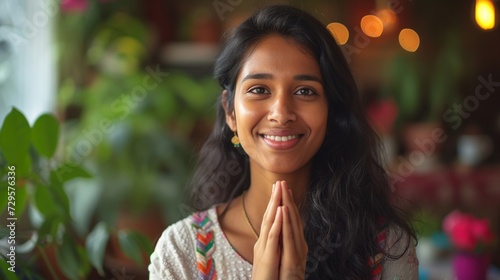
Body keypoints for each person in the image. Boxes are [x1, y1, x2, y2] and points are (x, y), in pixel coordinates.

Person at [149, 4, 418, 279]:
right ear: (230, 111)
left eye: (305, 91)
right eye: (259, 89)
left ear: (331, 112)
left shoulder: (383, 249)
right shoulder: (183, 253)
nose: (281, 113)